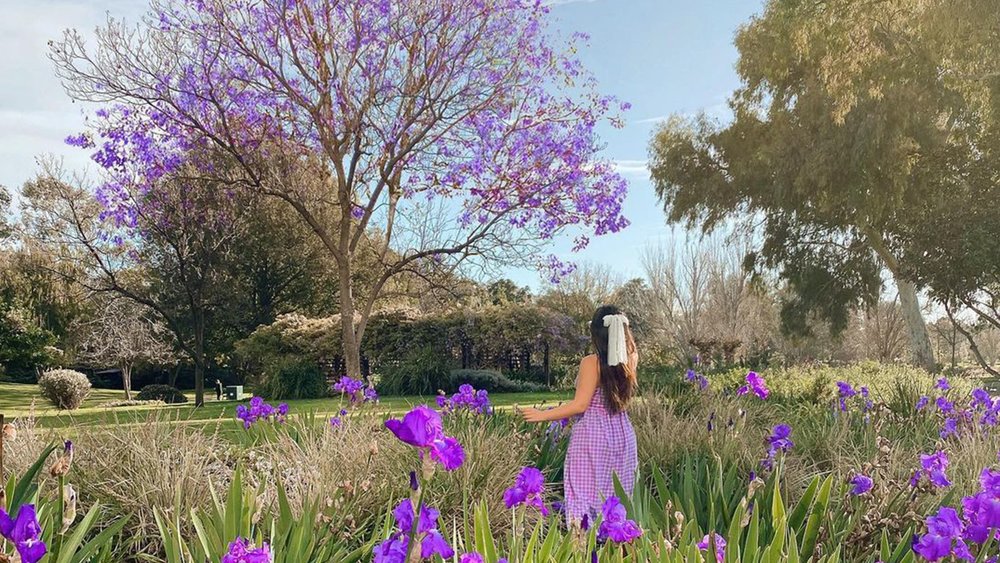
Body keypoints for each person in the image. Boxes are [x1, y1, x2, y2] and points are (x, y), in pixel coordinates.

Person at [519, 304, 638, 526]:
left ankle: (581, 550)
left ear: (596, 333)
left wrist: (542, 415)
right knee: (619, 498)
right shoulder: (631, 358)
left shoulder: (591, 363)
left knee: (583, 498)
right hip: (623, 434)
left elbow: (581, 405)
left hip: (594, 435)